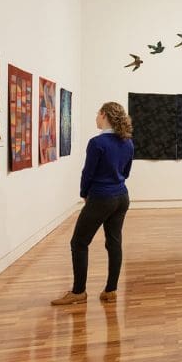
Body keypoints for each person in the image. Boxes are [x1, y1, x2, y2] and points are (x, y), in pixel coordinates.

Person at [52, 102, 135, 305]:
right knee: (114, 243)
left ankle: (79, 291)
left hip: (101, 197)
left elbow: (88, 173)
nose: (96, 118)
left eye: (97, 114)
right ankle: (111, 290)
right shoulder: (128, 143)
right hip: (121, 197)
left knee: (79, 242)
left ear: (104, 115)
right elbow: (126, 172)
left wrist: (84, 193)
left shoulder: (97, 143)